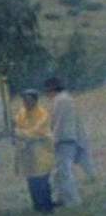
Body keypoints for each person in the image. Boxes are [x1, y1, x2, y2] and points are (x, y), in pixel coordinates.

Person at [44, 77, 95, 207]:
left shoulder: (61, 101)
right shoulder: (66, 99)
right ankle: (60, 198)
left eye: (47, 91)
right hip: (70, 138)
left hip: (64, 140)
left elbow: (60, 123)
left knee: (64, 173)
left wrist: (54, 139)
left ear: (52, 90)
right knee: (58, 173)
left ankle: (73, 201)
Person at [14, 89, 54, 213]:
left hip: (41, 152)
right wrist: (20, 133)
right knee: (31, 181)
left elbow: (36, 131)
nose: (25, 102)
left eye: (28, 100)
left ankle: (47, 207)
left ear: (35, 100)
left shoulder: (43, 114)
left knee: (42, 180)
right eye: (24, 100)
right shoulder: (21, 113)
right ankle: (37, 206)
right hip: (27, 153)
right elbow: (16, 128)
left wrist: (21, 133)